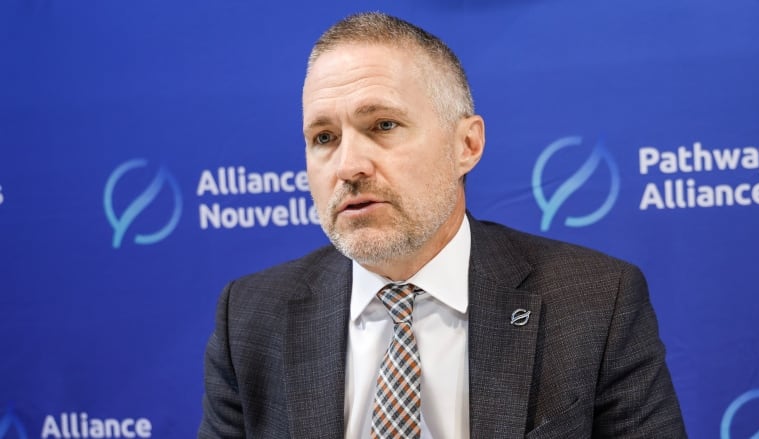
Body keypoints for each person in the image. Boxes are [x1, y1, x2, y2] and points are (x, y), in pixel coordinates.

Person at [198, 12, 687, 439]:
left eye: (383, 125)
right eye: (323, 137)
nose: (348, 165)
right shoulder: (248, 317)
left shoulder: (595, 302)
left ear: (466, 145)